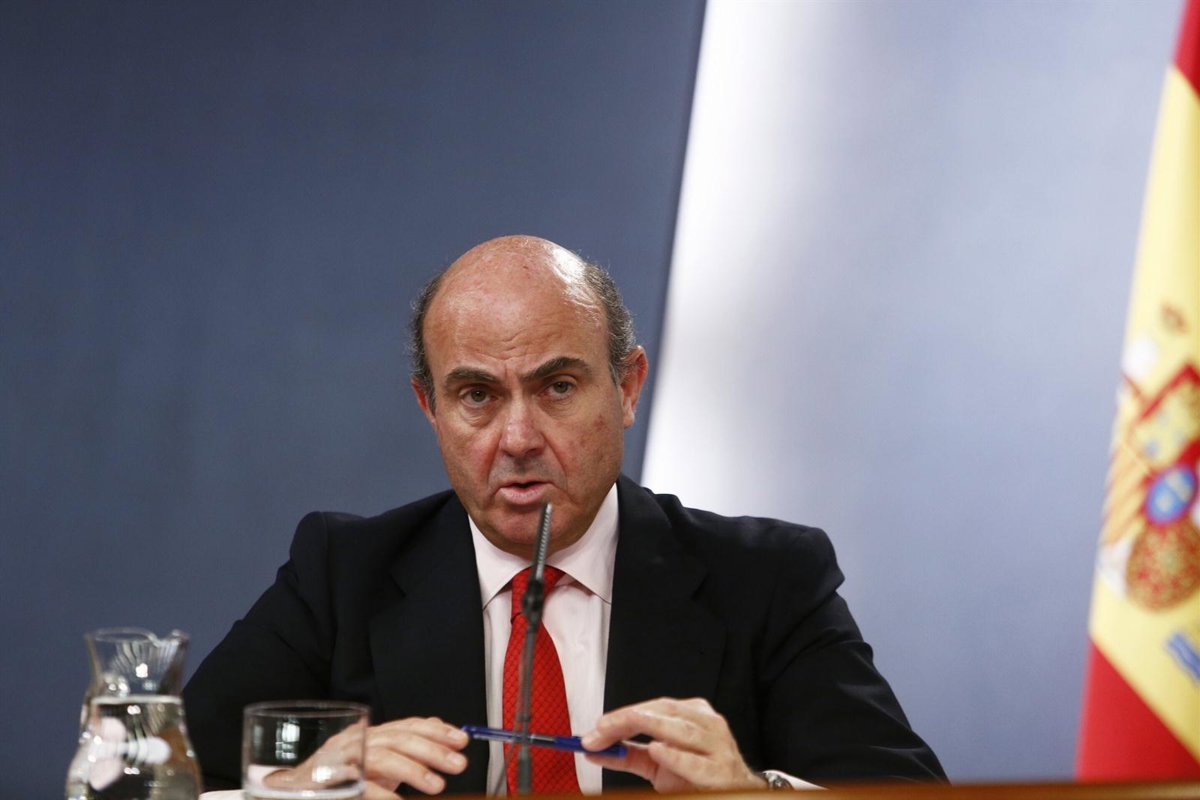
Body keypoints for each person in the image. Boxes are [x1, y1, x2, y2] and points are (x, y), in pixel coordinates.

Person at [183, 235, 944, 796]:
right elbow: (160, 783)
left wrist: (752, 793)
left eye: (557, 387)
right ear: (430, 407)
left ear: (628, 388)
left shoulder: (766, 580)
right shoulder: (341, 577)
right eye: (476, 395)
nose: (518, 438)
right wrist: (294, 793)